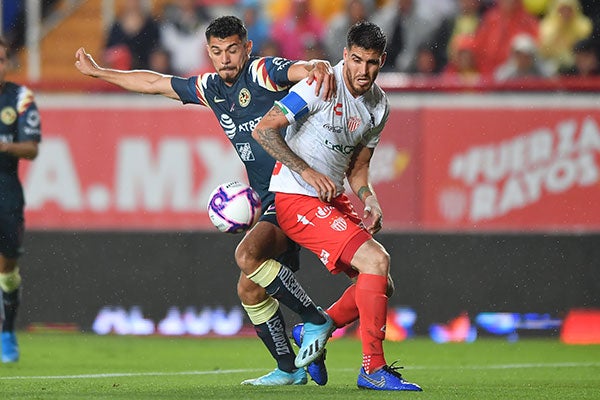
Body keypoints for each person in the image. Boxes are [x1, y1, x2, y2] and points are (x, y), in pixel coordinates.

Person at [75, 15, 335, 386]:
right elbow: (153, 82)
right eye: (216, 52)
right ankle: (290, 369)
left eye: (232, 50)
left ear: (246, 48)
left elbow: (297, 70)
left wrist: (315, 65)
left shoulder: (261, 72)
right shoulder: (211, 88)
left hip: (296, 191)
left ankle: (315, 321)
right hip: (269, 197)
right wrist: (100, 72)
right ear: (208, 53)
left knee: (247, 256)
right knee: (249, 288)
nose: (225, 59)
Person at [251, 21, 422, 391]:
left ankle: (319, 325)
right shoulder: (319, 83)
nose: (363, 71)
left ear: (382, 62)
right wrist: (307, 172)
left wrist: (368, 197)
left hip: (330, 197)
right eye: (356, 60)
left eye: (372, 63)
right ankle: (372, 369)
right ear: (345, 55)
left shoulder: (379, 106)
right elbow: (264, 129)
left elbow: (358, 168)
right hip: (295, 196)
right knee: (376, 261)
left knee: (380, 283)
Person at [0, 36, 42, 363]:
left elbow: (31, 148)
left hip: (6, 188)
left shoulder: (20, 98)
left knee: (8, 268)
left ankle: (7, 331)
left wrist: (4, 147)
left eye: (1, 59)